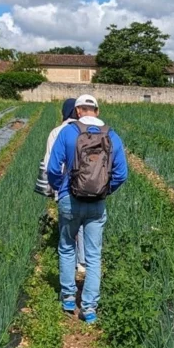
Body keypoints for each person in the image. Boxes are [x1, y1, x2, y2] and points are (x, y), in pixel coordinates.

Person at [47, 94, 128, 324]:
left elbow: (53, 168)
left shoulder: (68, 132)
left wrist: (60, 189)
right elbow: (122, 174)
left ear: (79, 111)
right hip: (97, 204)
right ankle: (90, 307)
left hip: (69, 199)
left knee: (66, 247)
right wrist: (105, 189)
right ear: (97, 111)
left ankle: (69, 298)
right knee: (93, 255)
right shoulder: (112, 135)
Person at [43, 98, 86, 274]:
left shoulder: (57, 131)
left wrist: (54, 186)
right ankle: (82, 262)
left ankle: (70, 265)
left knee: (67, 227)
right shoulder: (87, 131)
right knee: (83, 224)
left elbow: (49, 164)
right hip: (86, 185)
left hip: (65, 186)